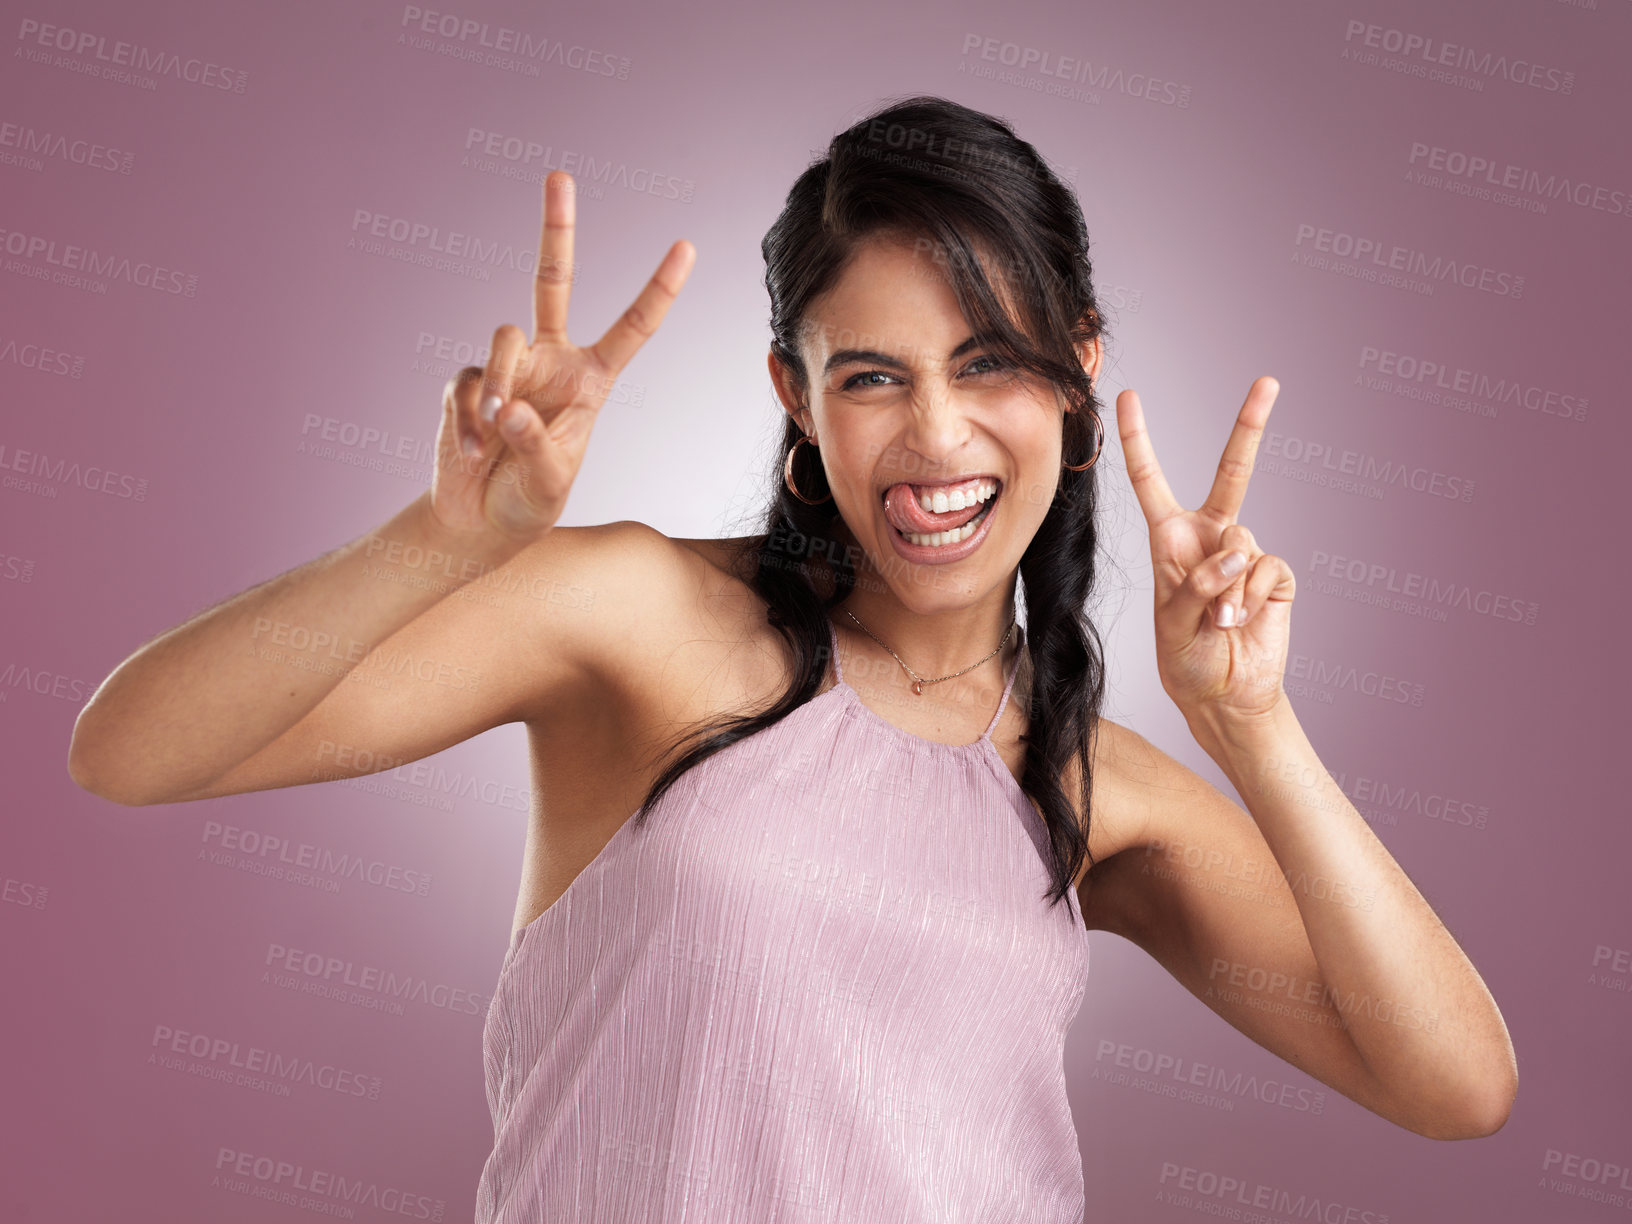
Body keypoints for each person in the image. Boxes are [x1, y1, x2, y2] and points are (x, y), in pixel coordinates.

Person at [67, 95, 1517, 1221]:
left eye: (991, 362)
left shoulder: (1088, 786)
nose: (936, 437)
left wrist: (1253, 725)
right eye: (871, 375)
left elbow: (1455, 1086)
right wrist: (442, 544)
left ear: (1078, 376)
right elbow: (131, 752)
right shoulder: (638, 621)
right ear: (794, 399)